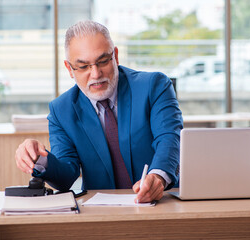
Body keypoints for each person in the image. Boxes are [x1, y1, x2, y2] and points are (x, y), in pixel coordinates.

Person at [15, 20, 183, 203]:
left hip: (163, 202)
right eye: (83, 66)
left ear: (116, 56)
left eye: (103, 61)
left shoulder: (154, 86)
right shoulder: (61, 110)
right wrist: (40, 158)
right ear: (69, 69)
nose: (95, 74)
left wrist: (158, 177)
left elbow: (169, 139)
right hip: (100, 212)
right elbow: (65, 176)